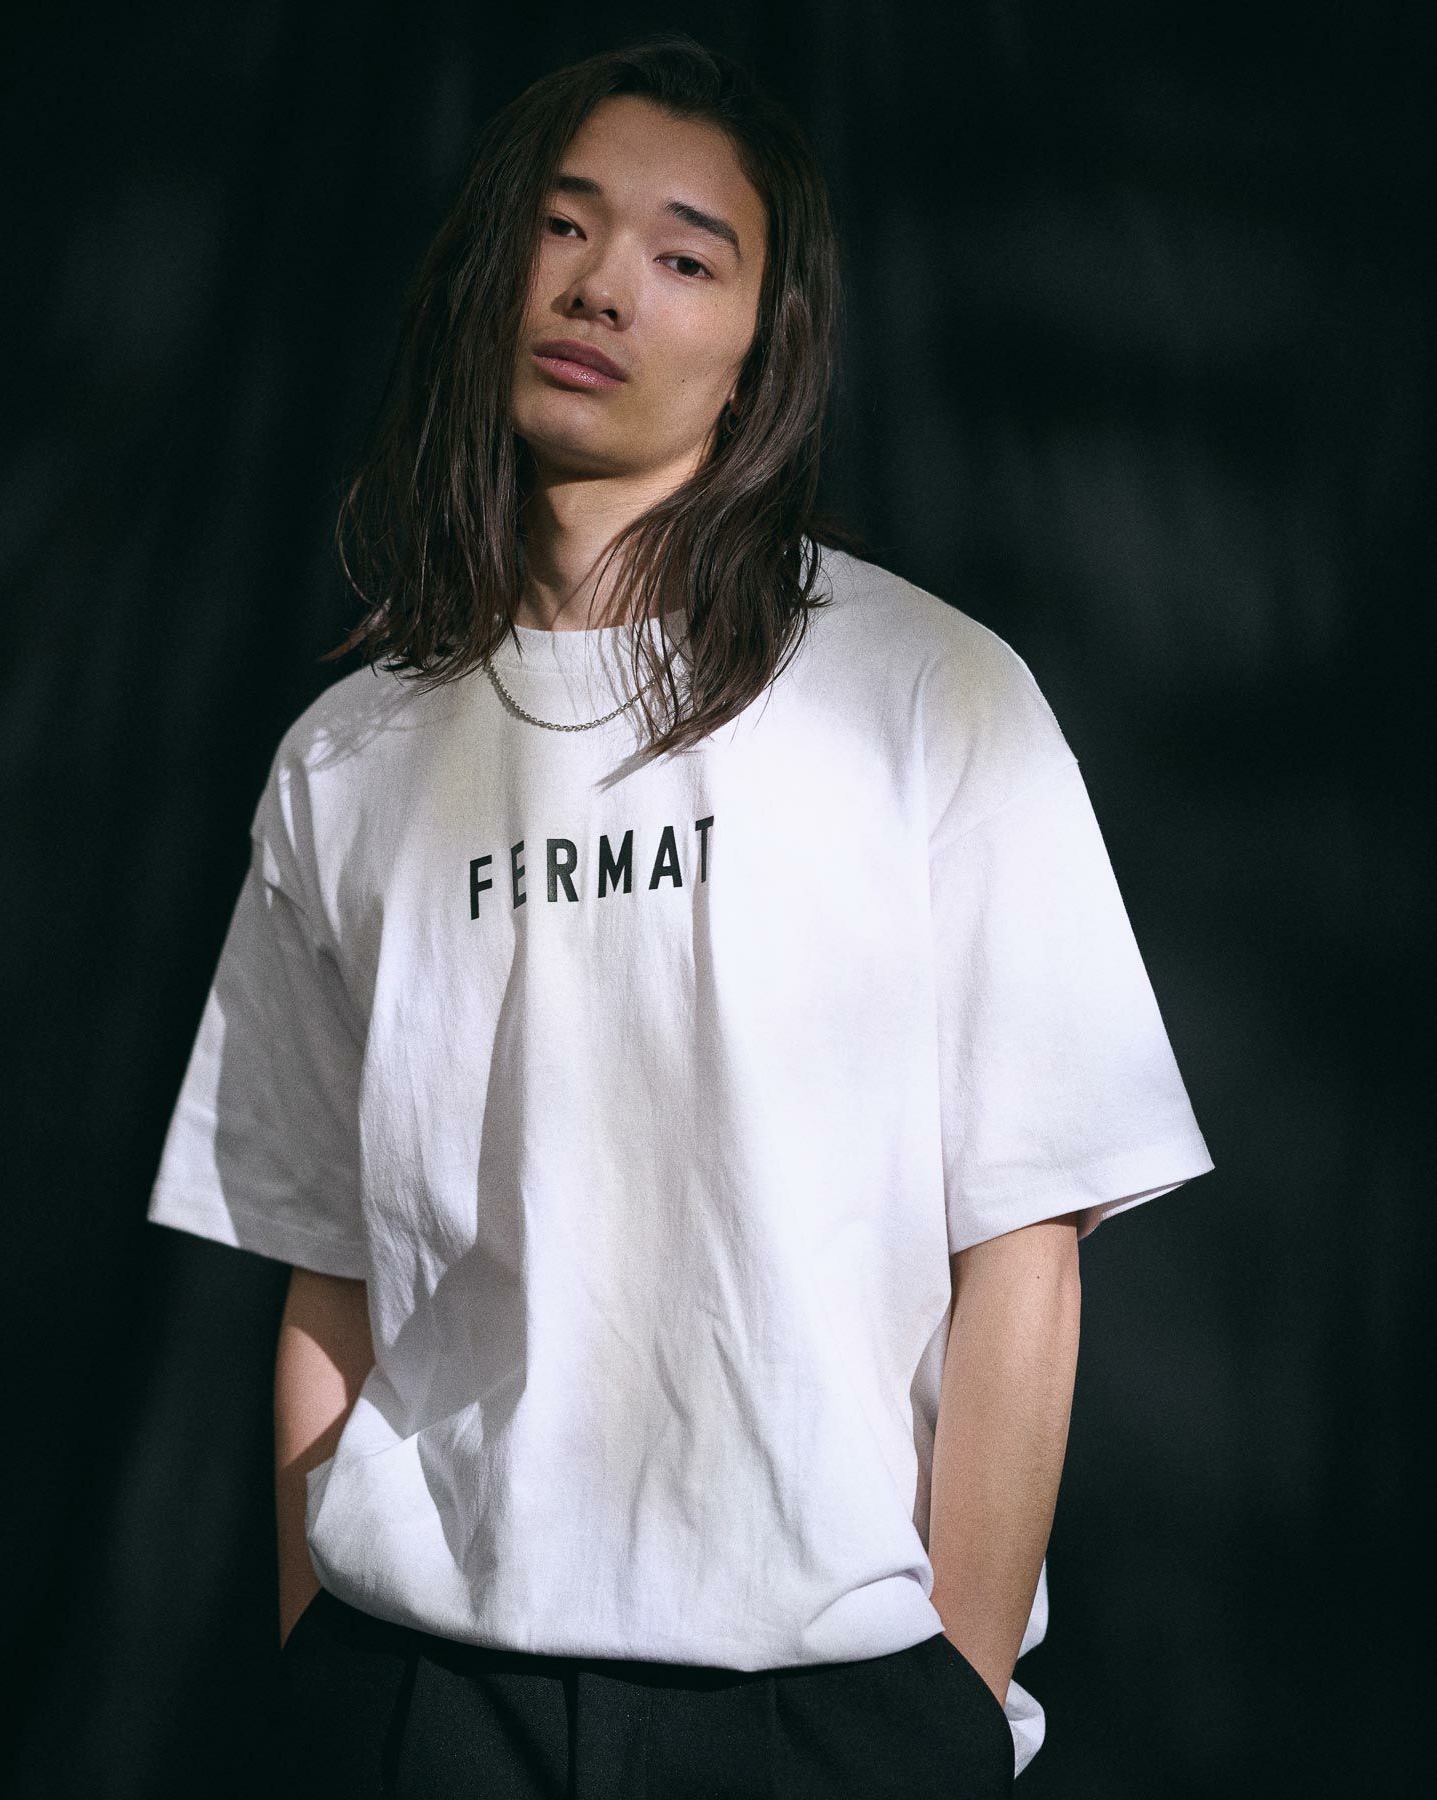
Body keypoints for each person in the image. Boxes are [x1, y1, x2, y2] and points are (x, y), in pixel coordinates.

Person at [147, 31, 1214, 1799]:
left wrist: (948, 1709)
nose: (601, 287)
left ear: (762, 352)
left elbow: (1028, 1242)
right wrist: (318, 1670)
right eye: (564, 226)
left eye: (685, 254)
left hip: (820, 1710)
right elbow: (329, 1266)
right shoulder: (349, 755)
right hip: (420, 1698)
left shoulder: (932, 695)